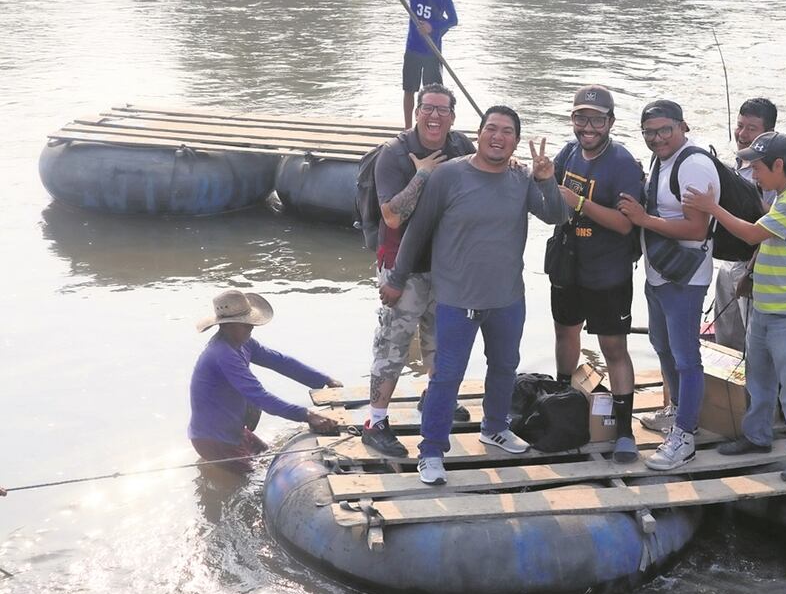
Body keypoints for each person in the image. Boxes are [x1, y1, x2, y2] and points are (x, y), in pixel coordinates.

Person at [381, 106, 569, 485]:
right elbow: (417, 231)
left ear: (516, 140)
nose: (498, 137)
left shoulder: (520, 177)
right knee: (447, 375)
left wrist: (546, 180)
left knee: (504, 366)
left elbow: (556, 216)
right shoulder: (450, 175)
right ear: (479, 133)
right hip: (457, 297)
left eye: (507, 132)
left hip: (507, 296)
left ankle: (495, 426)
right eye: (492, 129)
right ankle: (432, 450)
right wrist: (397, 277)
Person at [686, 132, 786, 482]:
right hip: (764, 304)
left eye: (758, 168)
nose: (754, 174)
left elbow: (752, 235)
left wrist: (713, 207)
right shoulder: (779, 196)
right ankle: (757, 436)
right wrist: (749, 274)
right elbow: (765, 244)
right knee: (758, 379)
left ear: (779, 165)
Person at [363, 83, 476, 458]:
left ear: (453, 117)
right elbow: (392, 215)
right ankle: (375, 421)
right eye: (428, 108)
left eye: (443, 110)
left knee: (440, 339)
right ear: (417, 112)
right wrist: (423, 174)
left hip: (446, 264)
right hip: (403, 266)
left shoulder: (460, 148)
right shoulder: (394, 154)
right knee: (393, 342)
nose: (434, 116)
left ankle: (433, 398)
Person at [616, 100, 719, 471]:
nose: (657, 138)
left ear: (683, 126)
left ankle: (686, 436)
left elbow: (697, 228)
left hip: (686, 278)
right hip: (659, 272)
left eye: (664, 130)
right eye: (649, 132)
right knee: (661, 345)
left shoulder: (693, 164)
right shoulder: (663, 160)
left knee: (686, 356)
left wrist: (644, 219)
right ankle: (676, 409)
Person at [550, 85, 644, 464]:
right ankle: (561, 400)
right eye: (580, 117)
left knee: (614, 349)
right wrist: (536, 175)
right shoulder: (568, 152)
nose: (588, 127)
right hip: (568, 265)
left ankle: (623, 430)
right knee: (564, 331)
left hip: (607, 271)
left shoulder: (622, 163)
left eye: (596, 119)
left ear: (610, 122)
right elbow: (548, 188)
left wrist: (580, 203)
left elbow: (625, 225)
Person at [188, 290, 341, 473]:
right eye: (245, 325)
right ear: (227, 326)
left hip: (234, 430)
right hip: (214, 438)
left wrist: (324, 381)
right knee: (252, 478)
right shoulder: (223, 355)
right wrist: (307, 415)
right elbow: (259, 396)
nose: (251, 328)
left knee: (267, 457)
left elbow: (280, 361)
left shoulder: (244, 343)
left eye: (250, 323)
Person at [361, 0, 458, 129]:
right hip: (413, 49)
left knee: (434, 94)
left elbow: (453, 20)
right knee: (409, 90)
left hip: (432, 52)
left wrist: (433, 26)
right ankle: (408, 129)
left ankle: (433, 127)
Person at [710, 97, 776, 350]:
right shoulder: (738, 164)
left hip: (754, 266)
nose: (742, 134)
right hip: (729, 263)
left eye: (751, 129)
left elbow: (770, 231)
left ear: (768, 132)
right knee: (726, 337)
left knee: (755, 342)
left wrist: (749, 273)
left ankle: (758, 389)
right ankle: (729, 389)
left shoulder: (770, 173)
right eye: (740, 126)